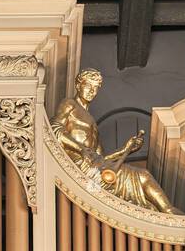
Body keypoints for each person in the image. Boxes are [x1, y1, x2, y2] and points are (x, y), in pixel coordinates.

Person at [51, 67, 174, 213]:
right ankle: (167, 213)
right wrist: (81, 149)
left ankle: (168, 211)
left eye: (96, 88)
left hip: (95, 166)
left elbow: (101, 158)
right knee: (142, 179)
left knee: (144, 177)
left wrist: (125, 150)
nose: (92, 90)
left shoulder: (92, 122)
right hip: (78, 166)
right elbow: (55, 129)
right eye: (88, 85)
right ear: (78, 85)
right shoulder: (69, 104)